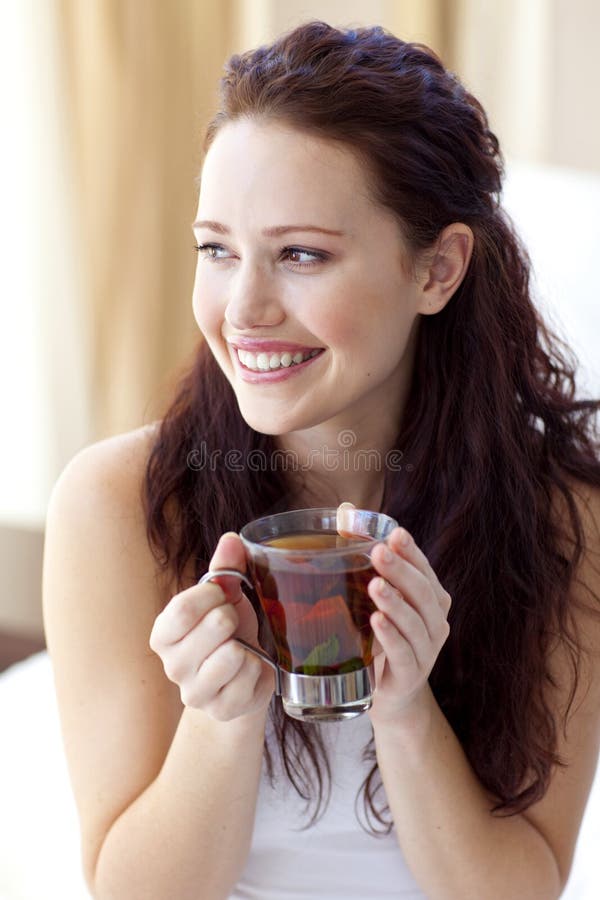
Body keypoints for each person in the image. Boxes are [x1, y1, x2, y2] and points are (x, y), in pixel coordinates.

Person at [43, 20, 600, 900]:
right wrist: (222, 722)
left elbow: (518, 889)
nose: (243, 309)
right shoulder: (117, 505)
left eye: (301, 254)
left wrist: (408, 712)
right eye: (218, 250)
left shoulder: (565, 516)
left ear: (438, 270)